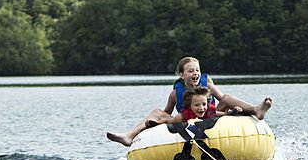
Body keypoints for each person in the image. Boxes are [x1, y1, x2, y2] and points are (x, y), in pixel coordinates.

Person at [106, 56, 273, 146]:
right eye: (191, 70)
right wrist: (160, 123)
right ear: (181, 75)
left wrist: (231, 111)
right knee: (157, 112)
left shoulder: (207, 83)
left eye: (197, 70)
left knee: (227, 97)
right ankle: (129, 135)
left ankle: (255, 110)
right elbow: (169, 114)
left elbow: (222, 100)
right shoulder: (174, 93)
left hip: (212, 115)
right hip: (187, 118)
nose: (196, 73)